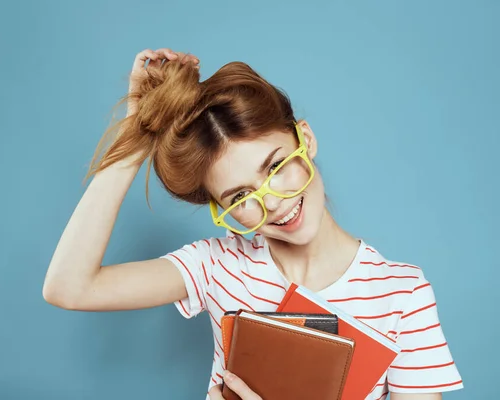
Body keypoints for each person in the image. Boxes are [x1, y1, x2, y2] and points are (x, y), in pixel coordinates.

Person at [43, 48, 463, 400]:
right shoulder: (217, 266)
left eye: (276, 165)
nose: (273, 202)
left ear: (306, 139)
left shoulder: (401, 293)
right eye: (240, 197)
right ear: (220, 209)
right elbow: (69, 287)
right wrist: (136, 135)